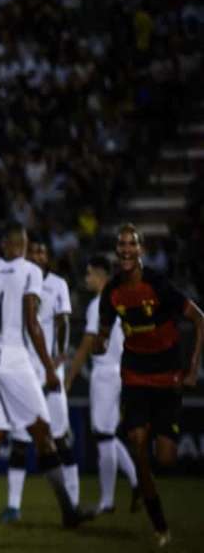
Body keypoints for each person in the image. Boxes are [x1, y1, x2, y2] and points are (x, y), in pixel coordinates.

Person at [0, 224, 91, 530]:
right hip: (13, 360)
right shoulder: (31, 272)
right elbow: (32, 322)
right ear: (22, 245)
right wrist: (49, 367)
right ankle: (69, 511)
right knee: (44, 434)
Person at [95, 224, 203, 547]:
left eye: (132, 244)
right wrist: (99, 343)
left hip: (167, 376)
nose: (126, 250)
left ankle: (145, 486)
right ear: (117, 251)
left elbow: (199, 318)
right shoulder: (111, 291)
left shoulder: (158, 284)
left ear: (140, 250)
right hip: (134, 377)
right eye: (121, 244)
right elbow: (102, 332)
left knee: (166, 457)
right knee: (138, 445)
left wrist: (192, 368)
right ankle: (160, 528)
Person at [1, 237, 78, 523]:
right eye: (33, 250)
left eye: (42, 250)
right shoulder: (16, 281)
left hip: (48, 368)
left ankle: (73, 501)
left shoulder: (57, 285)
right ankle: (13, 506)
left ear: (48, 257)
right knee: (20, 440)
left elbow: (63, 321)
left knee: (59, 435)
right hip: (23, 367)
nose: (37, 254)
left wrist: (58, 359)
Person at [65, 255, 139, 515]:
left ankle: (107, 499)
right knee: (107, 433)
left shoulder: (99, 304)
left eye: (90, 274)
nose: (87, 279)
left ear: (101, 275)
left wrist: (70, 376)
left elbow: (87, 343)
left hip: (106, 374)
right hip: (122, 372)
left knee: (103, 436)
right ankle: (136, 480)